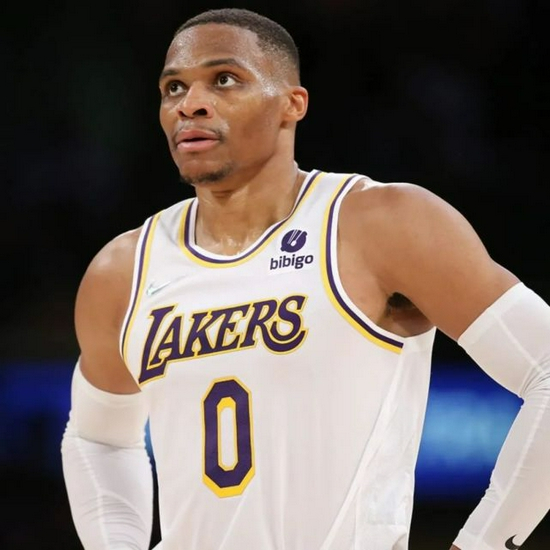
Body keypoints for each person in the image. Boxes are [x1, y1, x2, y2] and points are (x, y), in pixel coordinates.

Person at [60, 7, 550, 550]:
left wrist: (482, 544)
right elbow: (97, 438)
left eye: (224, 79)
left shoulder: (381, 224)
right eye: (173, 87)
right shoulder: (123, 270)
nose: (190, 103)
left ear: (293, 104)